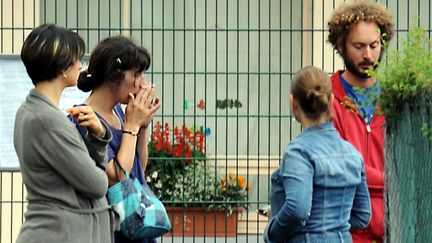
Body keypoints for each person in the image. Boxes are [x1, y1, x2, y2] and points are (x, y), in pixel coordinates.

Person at [14, 24, 113, 243]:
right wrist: (99, 143)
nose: (80, 64)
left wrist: (98, 136)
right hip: (59, 234)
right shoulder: (47, 120)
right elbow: (97, 184)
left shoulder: (32, 111)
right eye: (76, 58)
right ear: (62, 68)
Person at [263, 66, 371, 243]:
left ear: (293, 102)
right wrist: (331, 225)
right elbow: (362, 215)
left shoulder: (298, 152)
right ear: (332, 101)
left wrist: (272, 231)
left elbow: (297, 210)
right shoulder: (353, 154)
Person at [75, 36, 161, 243]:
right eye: (137, 75)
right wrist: (131, 126)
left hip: (138, 224)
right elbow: (116, 176)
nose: (144, 84)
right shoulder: (84, 119)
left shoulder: (119, 112)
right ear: (115, 74)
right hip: (112, 230)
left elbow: (138, 167)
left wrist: (141, 128)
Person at [327, 2, 394, 242]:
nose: (368, 55)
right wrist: (388, 180)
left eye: (374, 46)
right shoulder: (326, 98)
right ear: (340, 45)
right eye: (359, 46)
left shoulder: (395, 99)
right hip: (341, 229)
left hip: (391, 228)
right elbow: (336, 165)